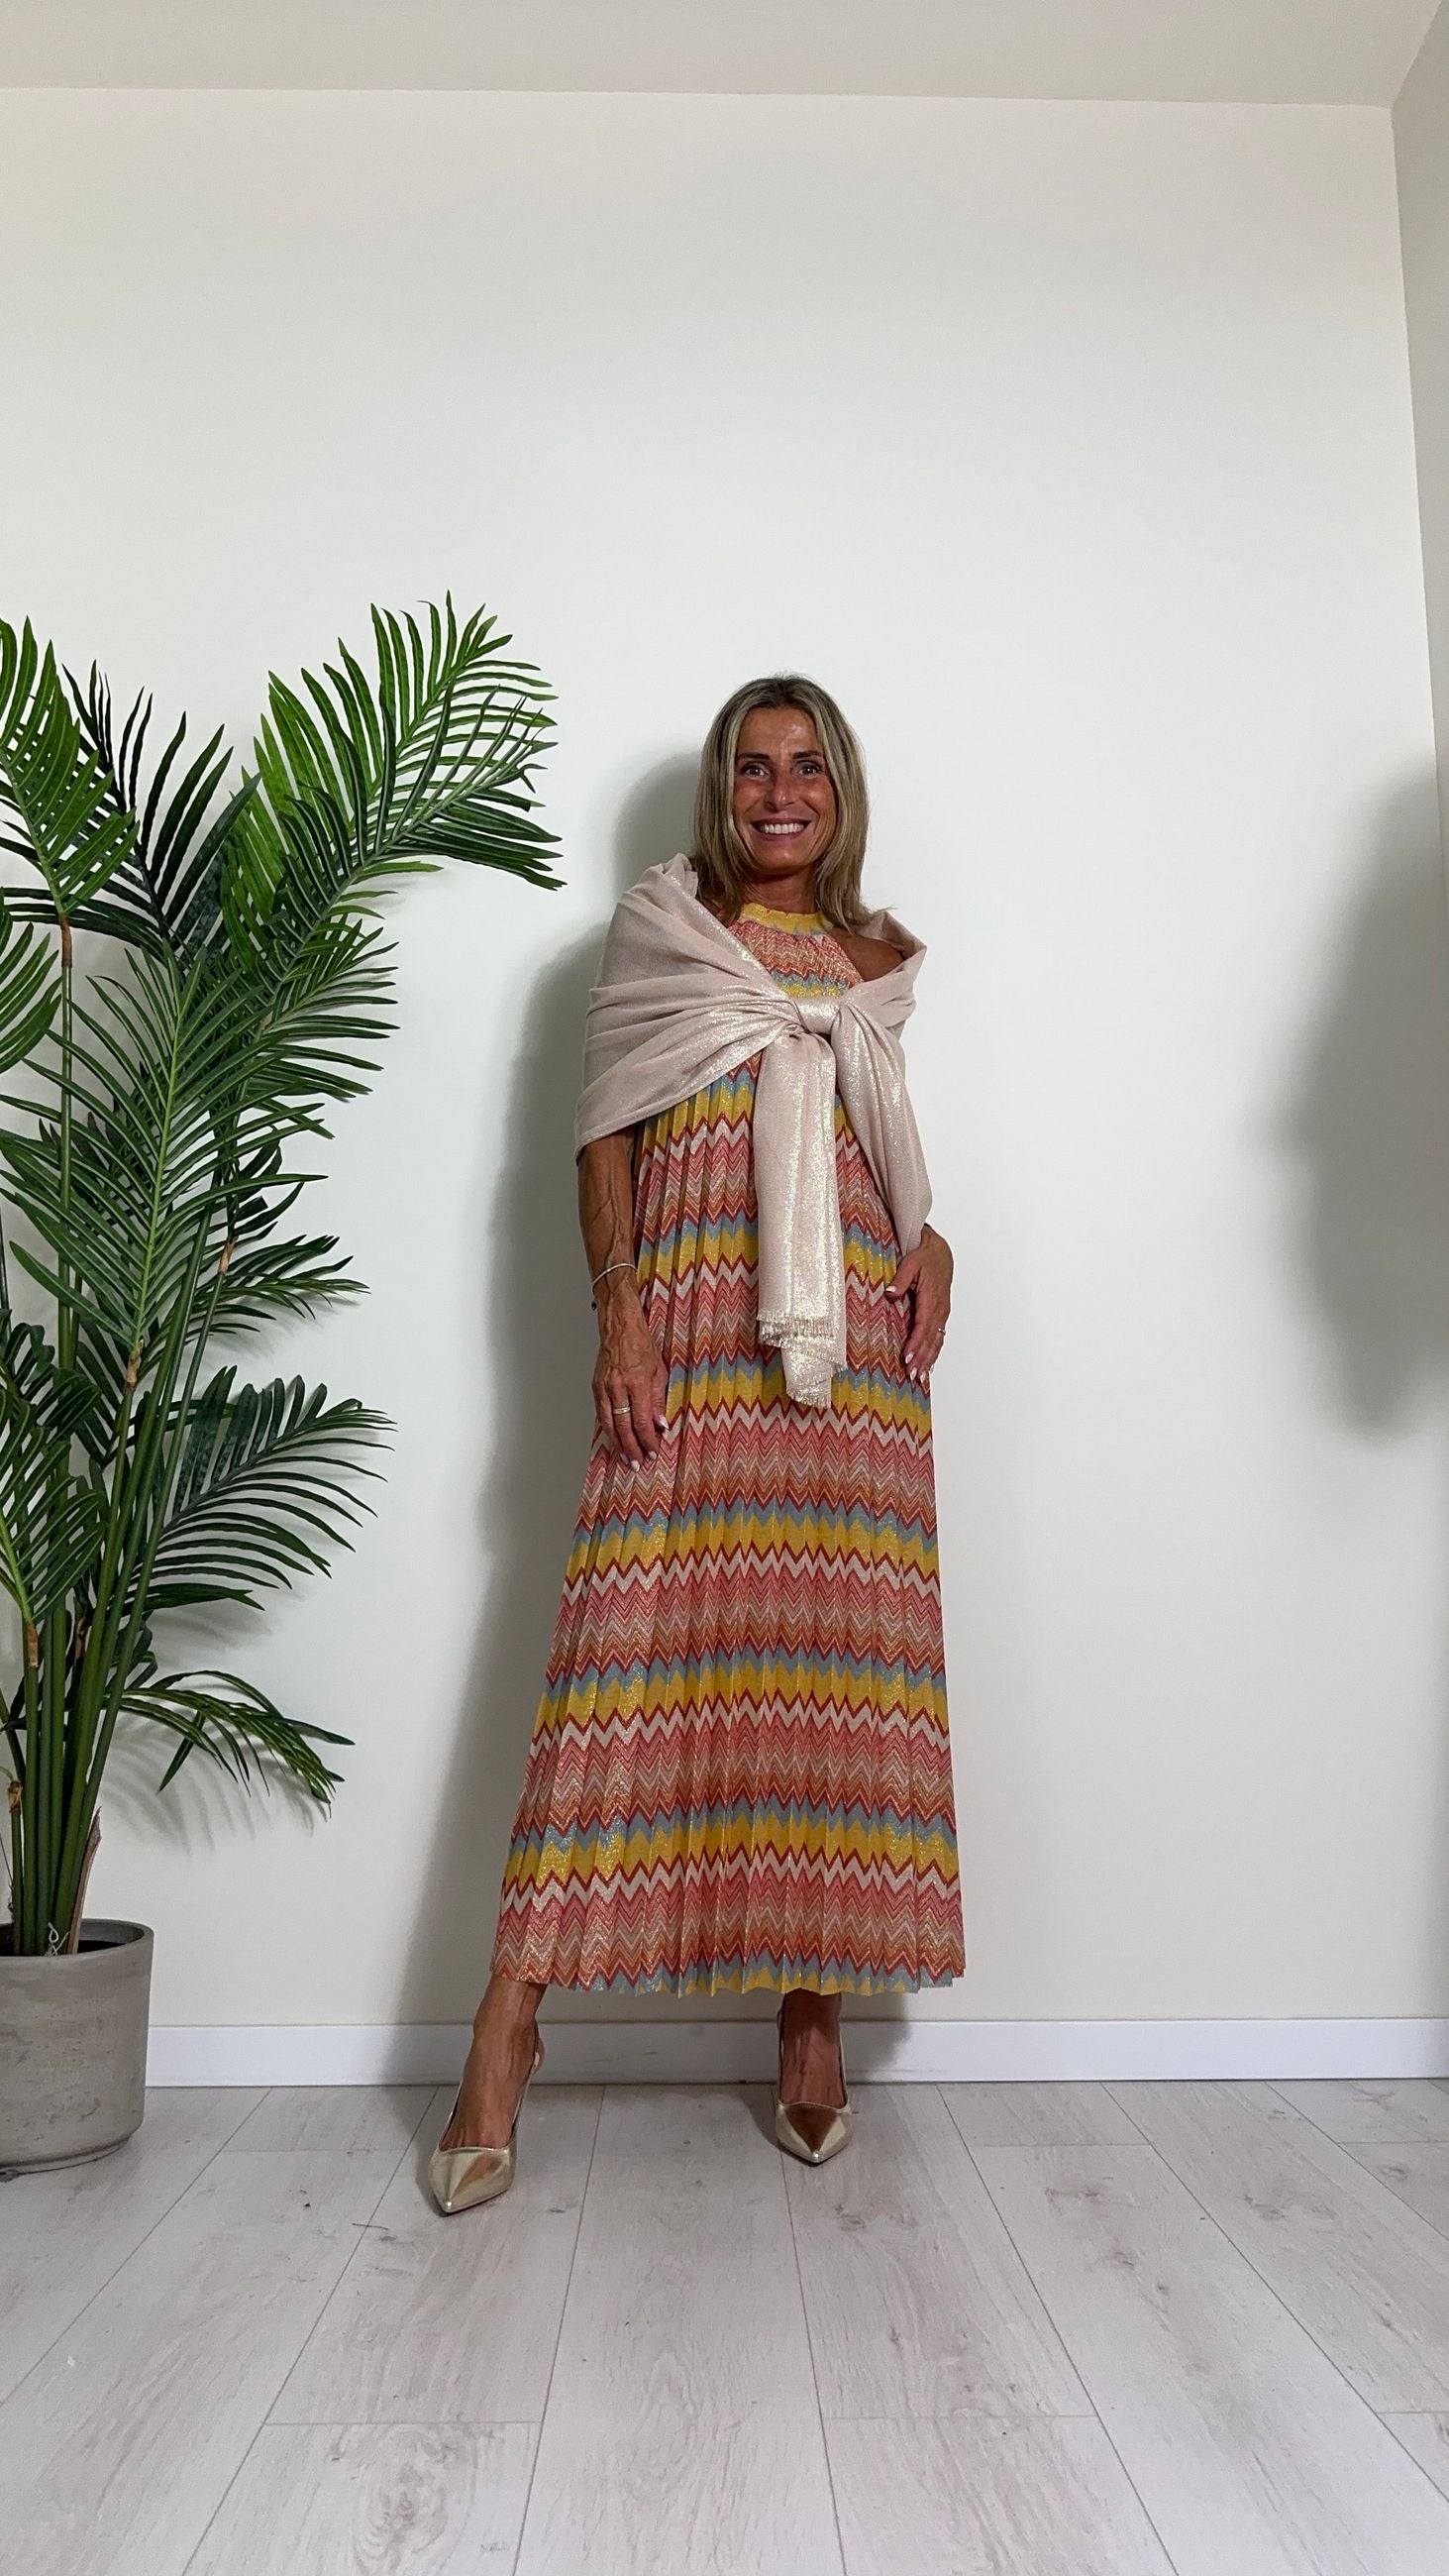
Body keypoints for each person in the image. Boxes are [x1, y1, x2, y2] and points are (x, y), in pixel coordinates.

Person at [430, 674, 966, 2215]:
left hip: (855, 1363)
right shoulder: (668, 935)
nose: (779, 792)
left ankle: (813, 2020)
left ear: (842, 791)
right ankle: (504, 2034)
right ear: (721, 791)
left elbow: (881, 1144)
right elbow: (601, 1138)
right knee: (618, 1668)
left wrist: (935, 1241)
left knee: (829, 1678)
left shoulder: (877, 961)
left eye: (807, 767)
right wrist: (619, 1311)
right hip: (689, 1334)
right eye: (752, 766)